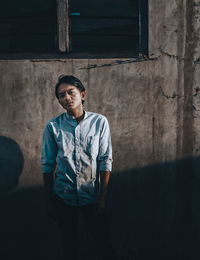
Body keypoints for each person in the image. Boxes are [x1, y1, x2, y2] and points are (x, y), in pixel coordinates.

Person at [41, 75, 113, 260]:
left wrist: (102, 198)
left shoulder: (99, 122)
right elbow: (48, 164)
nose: (66, 98)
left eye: (70, 92)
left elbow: (105, 160)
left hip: (92, 196)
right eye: (61, 95)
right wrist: (49, 200)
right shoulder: (53, 127)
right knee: (69, 246)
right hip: (63, 197)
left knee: (102, 244)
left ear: (82, 94)